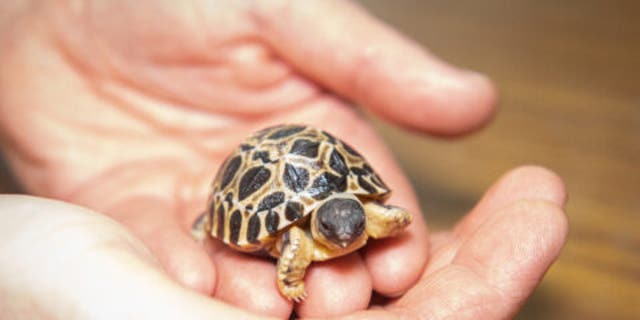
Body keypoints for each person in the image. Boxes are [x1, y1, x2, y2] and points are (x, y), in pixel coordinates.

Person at [0, 1, 568, 319]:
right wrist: (291, 274)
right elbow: (296, 245)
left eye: (350, 227)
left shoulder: (354, 217)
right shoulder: (301, 235)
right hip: (256, 178)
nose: (345, 240)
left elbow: (381, 218)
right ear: (320, 224)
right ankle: (209, 218)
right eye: (335, 231)